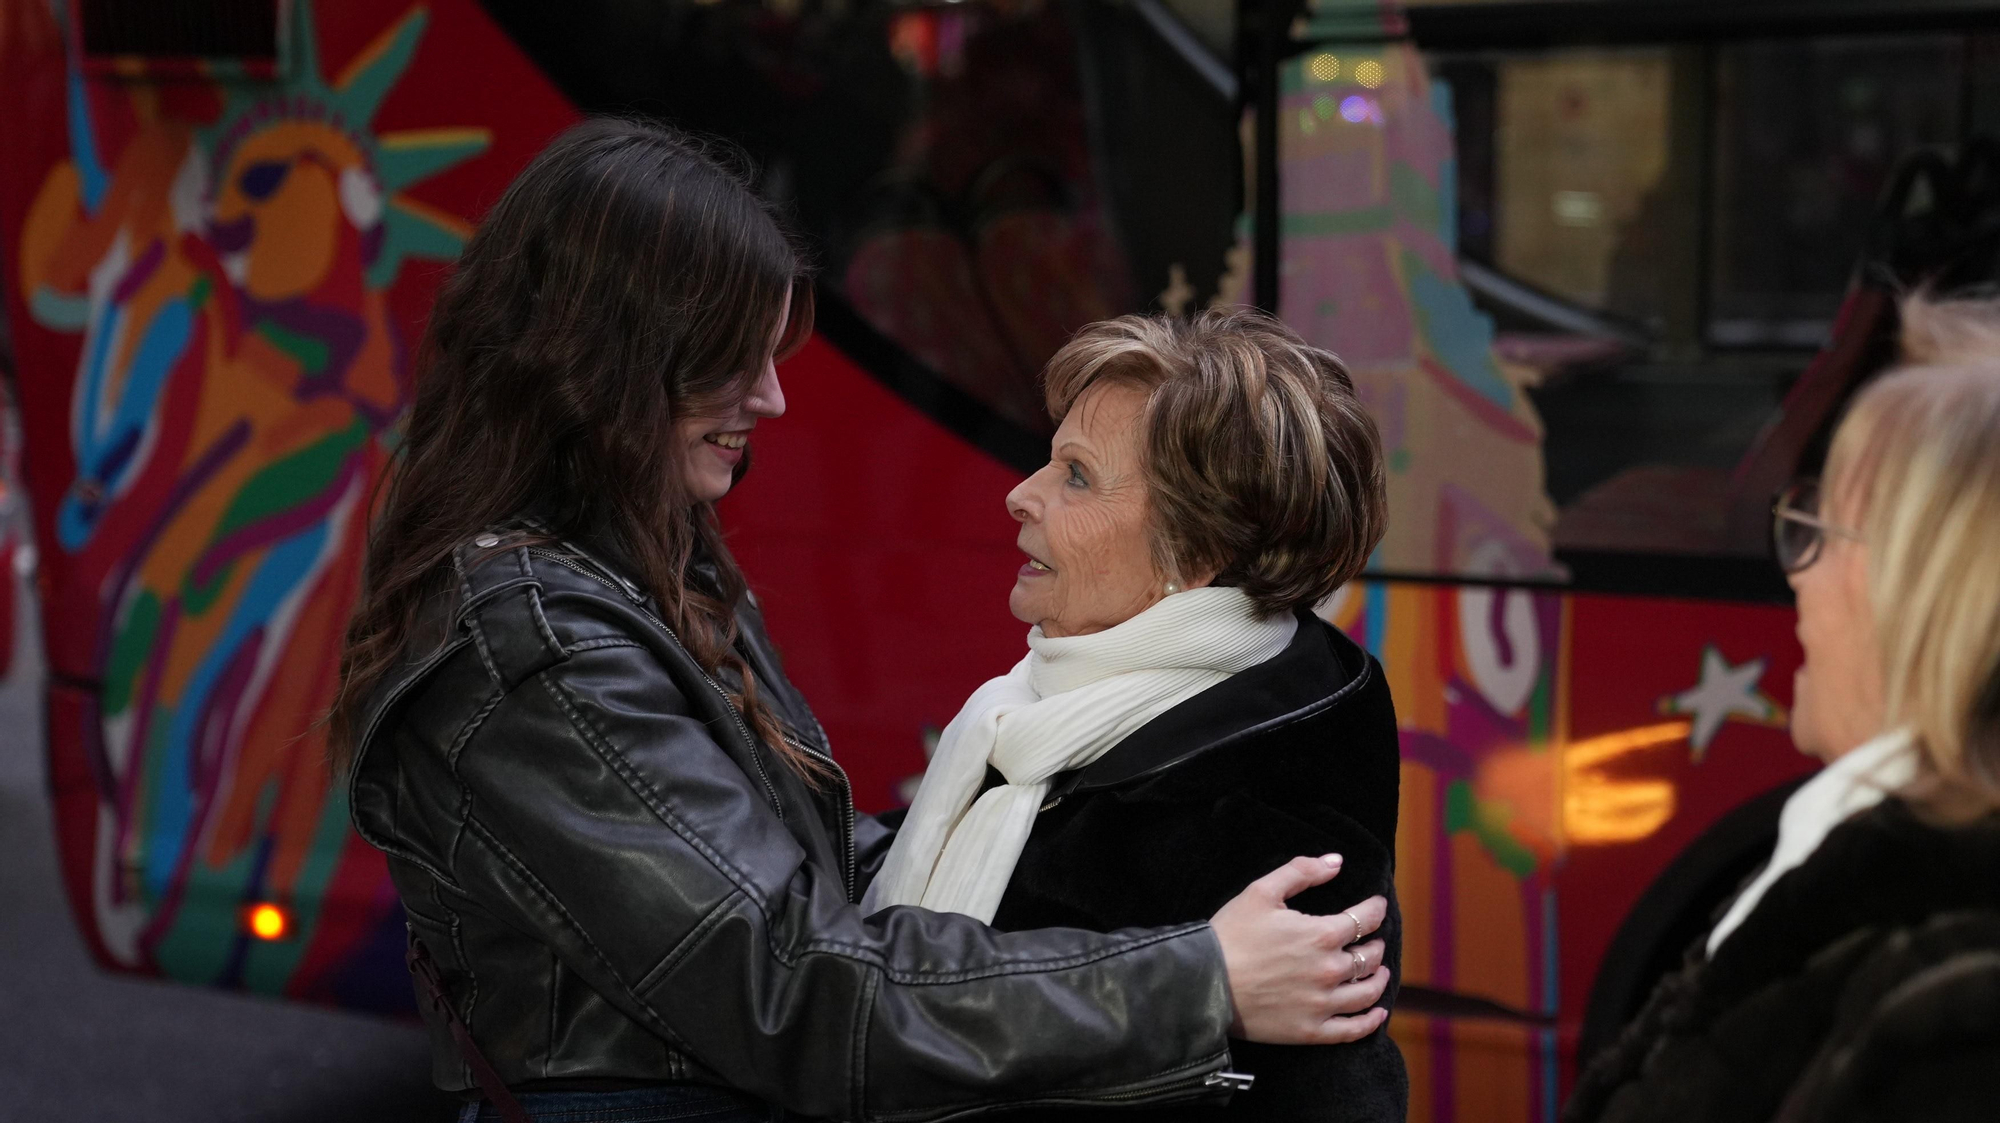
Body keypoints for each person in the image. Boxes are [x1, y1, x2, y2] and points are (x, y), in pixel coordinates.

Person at [330, 117, 1392, 1123]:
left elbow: (796, 865)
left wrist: (1015, 837)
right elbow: (792, 977)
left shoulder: (646, 552)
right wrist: (1194, 980)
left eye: (1075, 475)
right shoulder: (541, 642)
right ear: (606, 362)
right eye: (728, 359)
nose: (773, 399)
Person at [866, 311, 1407, 1122]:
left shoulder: (1271, 810)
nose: (1020, 495)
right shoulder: (1043, 713)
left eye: (1076, 475)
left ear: (1190, 555)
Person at [1562, 293, 2000, 1123]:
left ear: (1924, 596)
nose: (1795, 569)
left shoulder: (1952, 1003)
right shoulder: (1882, 900)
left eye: (1821, 527)